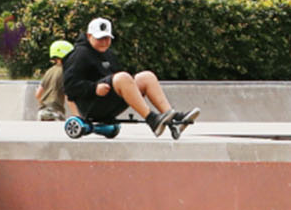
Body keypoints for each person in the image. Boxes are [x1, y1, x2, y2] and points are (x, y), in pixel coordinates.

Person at [61, 16, 198, 138]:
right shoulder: (79, 54)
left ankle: (171, 118)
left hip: (107, 101)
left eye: (107, 38)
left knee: (146, 77)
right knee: (122, 77)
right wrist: (93, 88)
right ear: (89, 35)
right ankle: (152, 120)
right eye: (99, 38)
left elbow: (119, 80)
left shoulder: (108, 54)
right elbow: (69, 87)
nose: (104, 42)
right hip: (90, 105)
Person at [35, 39, 72, 121]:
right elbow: (68, 96)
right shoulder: (66, 72)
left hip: (42, 111)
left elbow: (38, 94)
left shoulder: (49, 71)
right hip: (55, 111)